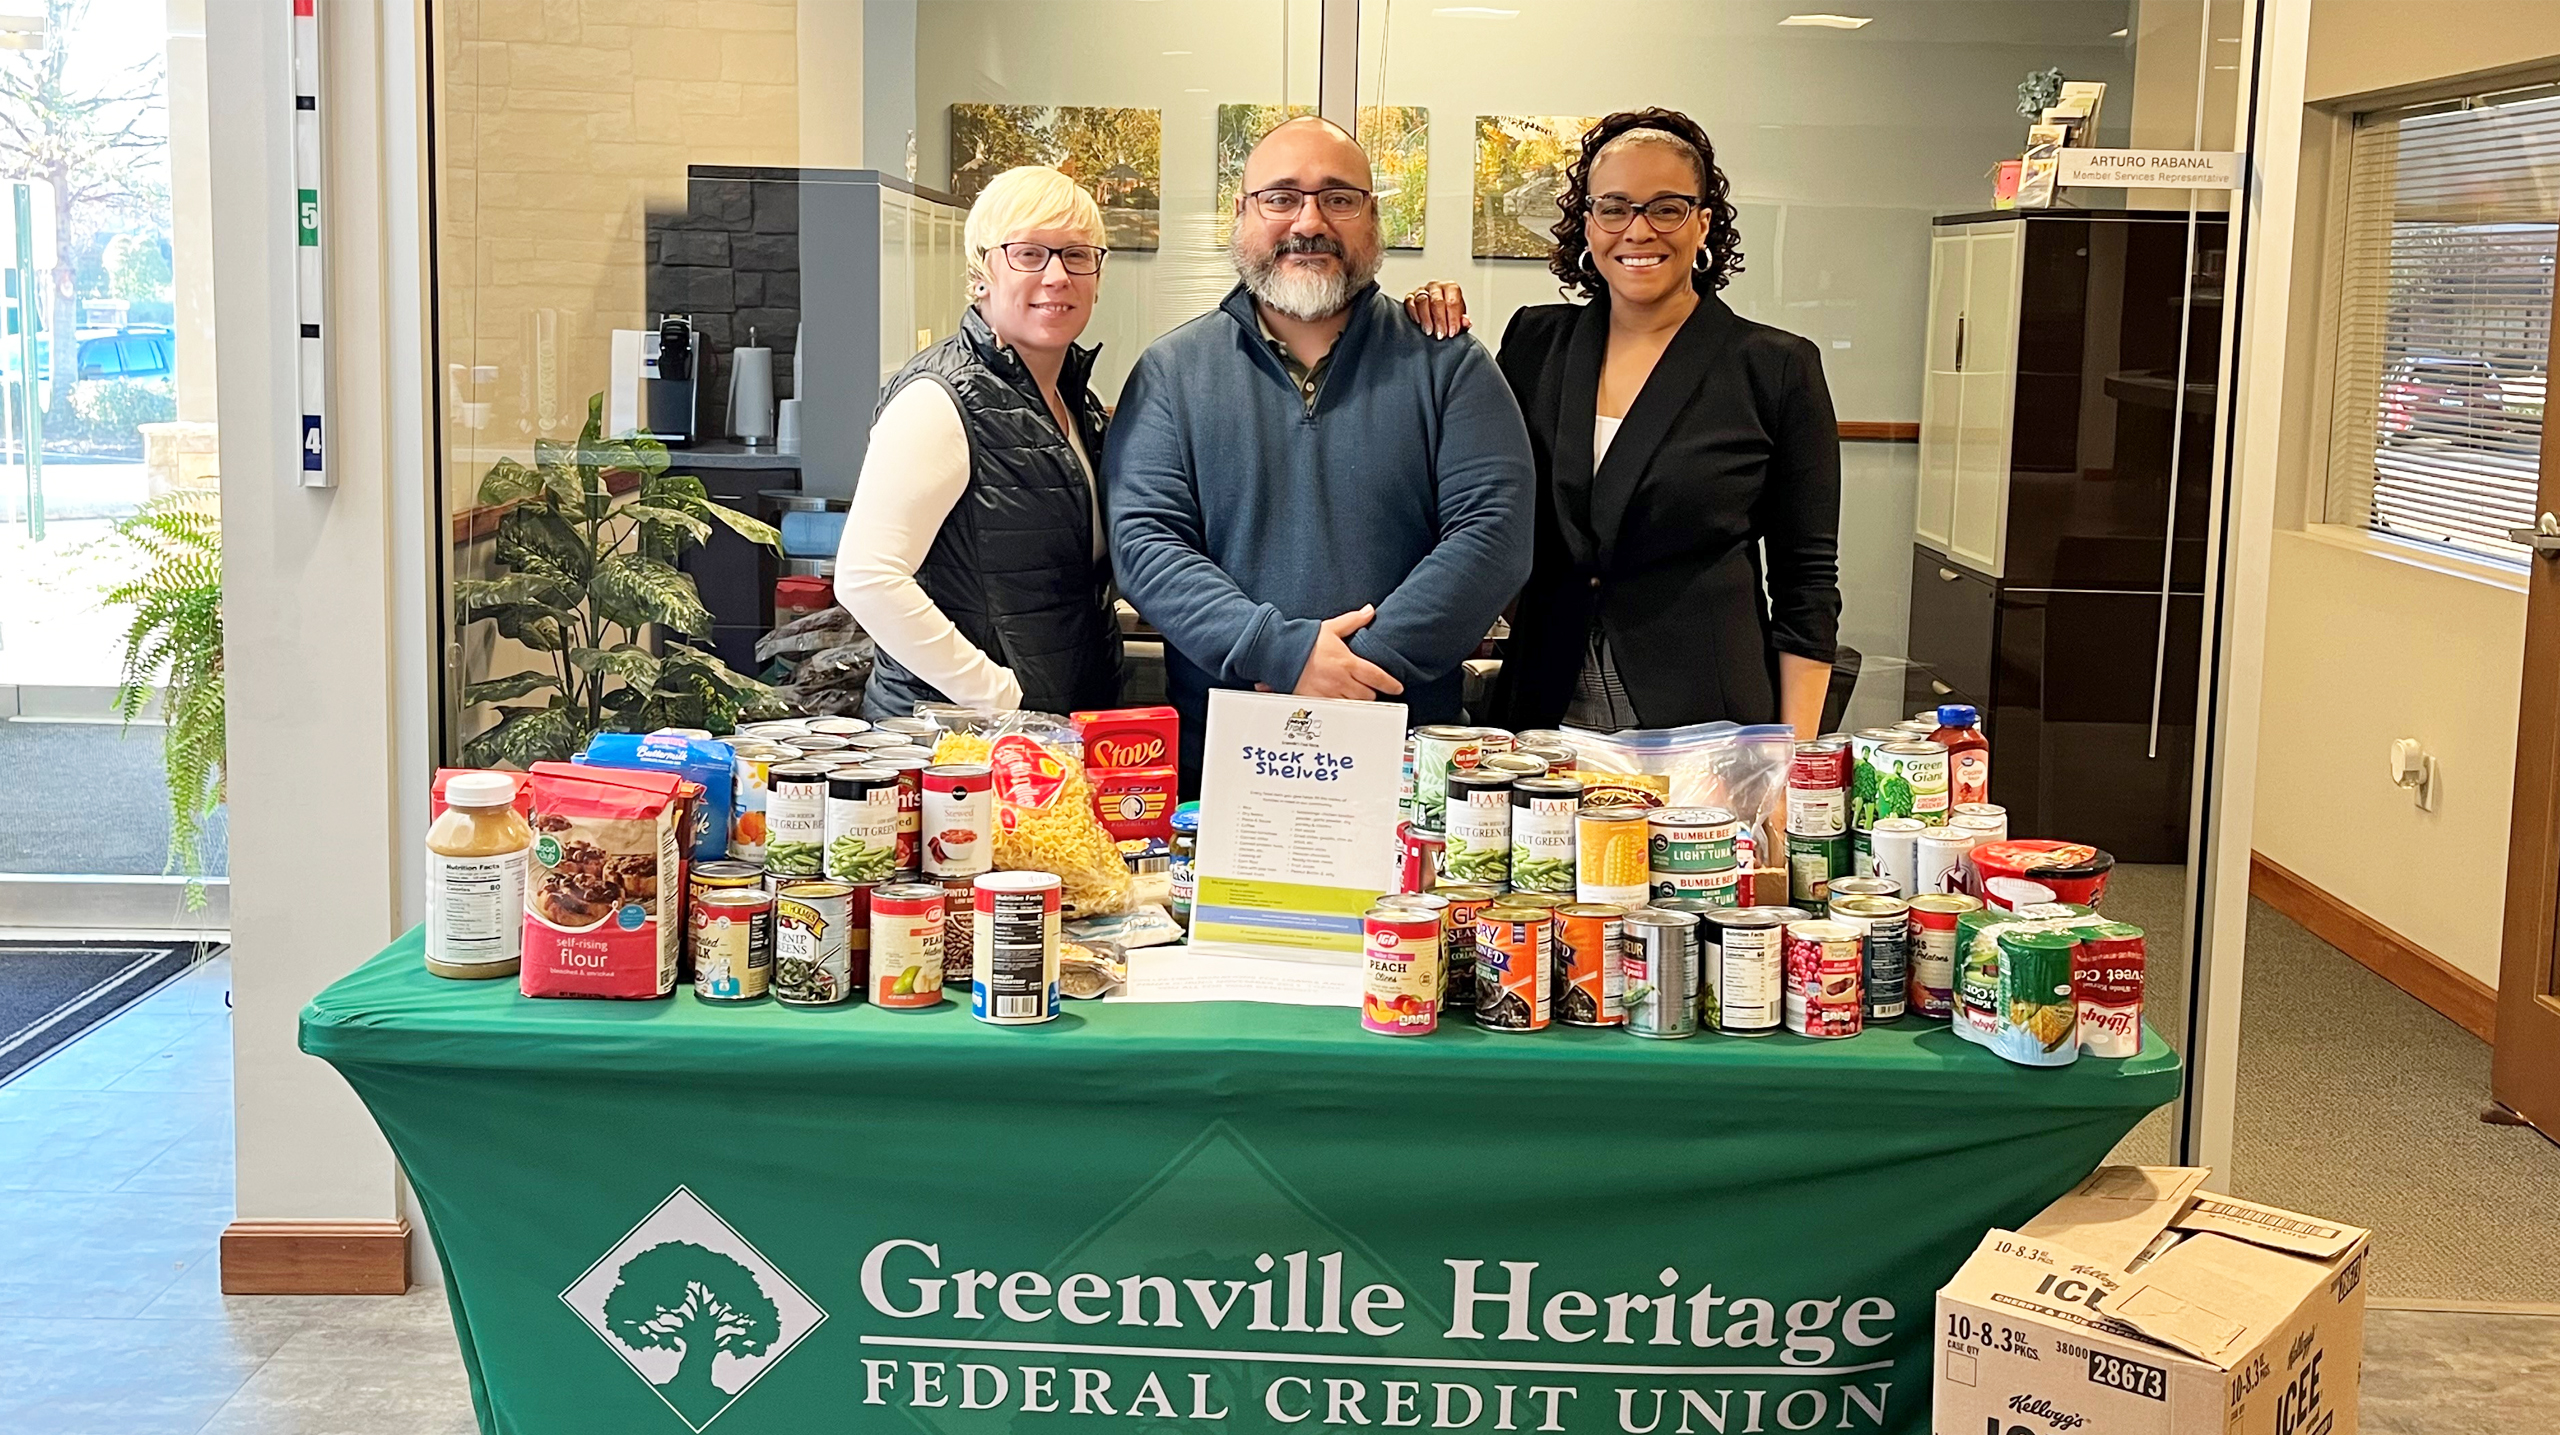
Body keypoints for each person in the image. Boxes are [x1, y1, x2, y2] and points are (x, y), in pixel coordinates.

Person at [1108, 117, 1535, 791]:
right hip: (1221, 766)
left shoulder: (1450, 366)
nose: (1309, 221)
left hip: (1408, 767)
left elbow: (1494, 537)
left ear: (1373, 219)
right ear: (1241, 215)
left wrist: (1352, 667)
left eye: (1339, 198)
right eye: (1280, 197)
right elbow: (1146, 545)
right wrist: (1282, 652)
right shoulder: (1170, 373)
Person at [1407, 108, 1841, 736]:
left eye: (1666, 208)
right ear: (1587, 223)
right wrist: (1420, 322)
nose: (1638, 230)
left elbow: (1807, 583)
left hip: (1703, 720)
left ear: (1703, 224)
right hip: (1542, 707)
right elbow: (1471, 500)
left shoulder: (1774, 367)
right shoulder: (1534, 343)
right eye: (1613, 208)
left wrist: (1789, 764)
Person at [833, 166, 1122, 719]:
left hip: (1047, 733)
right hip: (956, 749)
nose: (1057, 275)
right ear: (979, 275)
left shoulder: (1074, 399)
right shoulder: (938, 401)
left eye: (1077, 254)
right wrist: (998, 695)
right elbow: (867, 576)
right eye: (1029, 254)